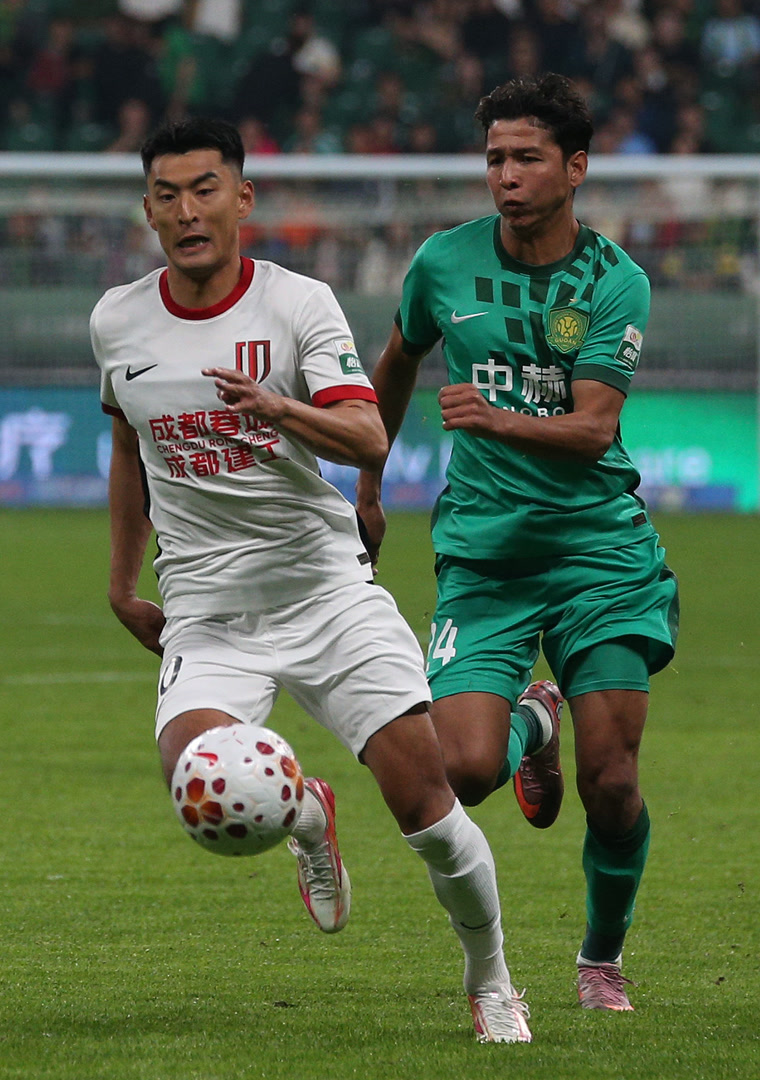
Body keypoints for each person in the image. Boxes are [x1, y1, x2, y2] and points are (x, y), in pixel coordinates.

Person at [90, 116, 532, 1044]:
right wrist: (124, 583)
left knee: (430, 811)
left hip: (325, 594)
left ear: (242, 199)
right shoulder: (117, 321)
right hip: (208, 610)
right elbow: (128, 445)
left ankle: (491, 979)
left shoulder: (296, 304)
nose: (187, 211)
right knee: (195, 782)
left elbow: (368, 435)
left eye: (205, 189)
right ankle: (303, 808)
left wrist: (278, 407)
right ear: (148, 211)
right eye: (167, 195)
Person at [357, 73, 679, 1012]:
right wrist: (369, 480)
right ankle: (535, 719)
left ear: (575, 169)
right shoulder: (443, 264)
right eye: (495, 157)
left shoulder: (614, 281)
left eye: (527, 158)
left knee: (611, 779)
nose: (506, 175)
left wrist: (494, 419)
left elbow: (594, 428)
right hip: (485, 555)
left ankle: (600, 959)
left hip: (597, 554)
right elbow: (398, 360)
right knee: (462, 770)